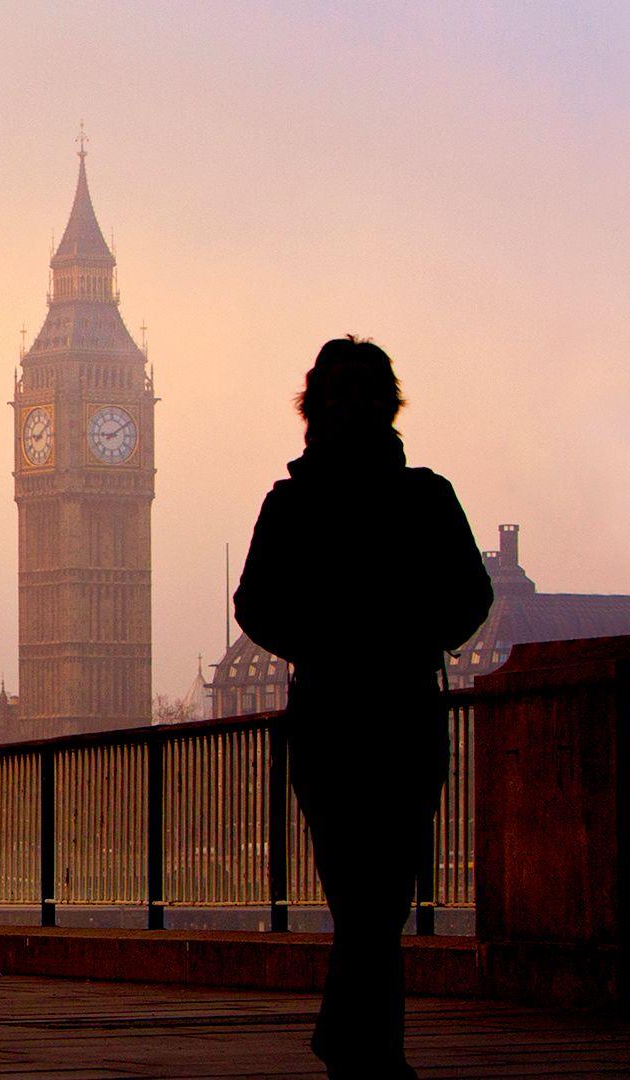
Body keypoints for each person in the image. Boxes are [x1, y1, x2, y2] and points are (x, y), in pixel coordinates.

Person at [235, 337, 492, 1078]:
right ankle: (371, 1053)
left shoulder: (424, 495)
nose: (350, 406)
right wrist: (343, 645)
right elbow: (254, 605)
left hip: (384, 713)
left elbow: (473, 597)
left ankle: (353, 1044)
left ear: (386, 404)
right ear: (315, 409)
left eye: (362, 392)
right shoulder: (297, 503)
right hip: (350, 717)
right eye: (337, 393)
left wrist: (393, 640)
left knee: (378, 895)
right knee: (367, 894)